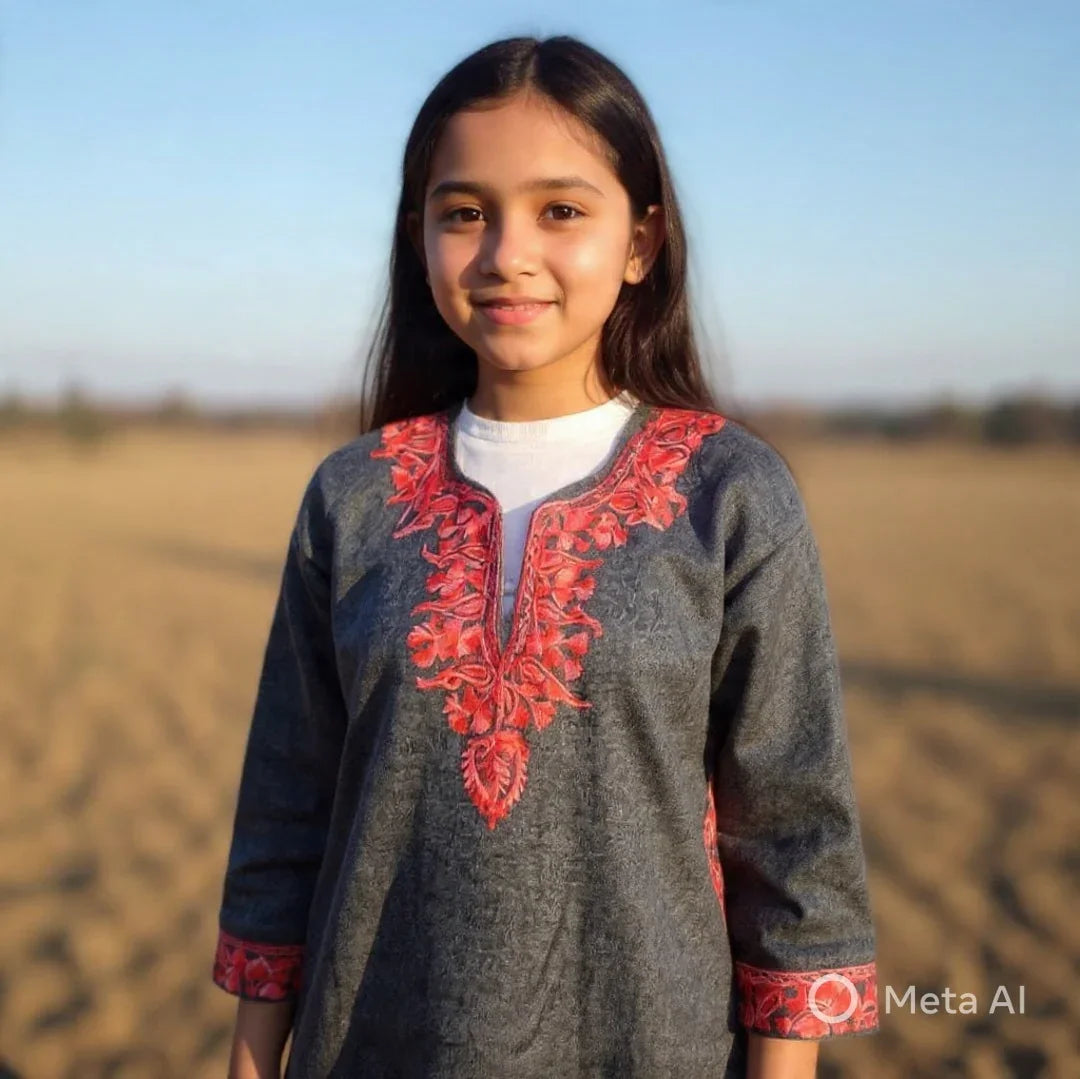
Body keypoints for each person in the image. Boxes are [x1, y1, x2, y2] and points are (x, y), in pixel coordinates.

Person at [211, 34, 879, 1079]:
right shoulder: (354, 496)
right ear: (420, 235)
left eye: (561, 210)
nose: (505, 252)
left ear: (641, 241)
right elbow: (285, 815)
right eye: (464, 211)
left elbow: (794, 838)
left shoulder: (730, 493)